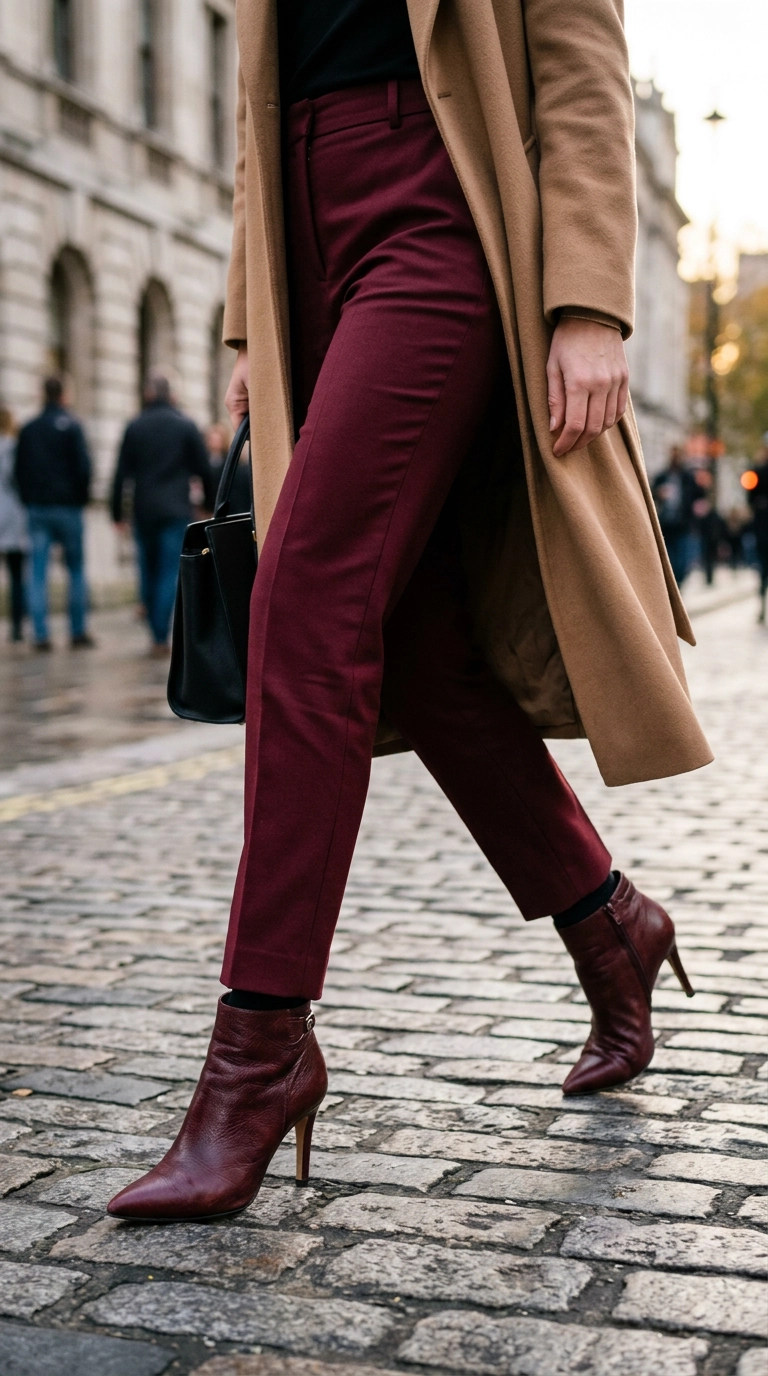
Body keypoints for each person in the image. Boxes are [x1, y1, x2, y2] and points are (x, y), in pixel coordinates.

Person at [109, 0, 712, 1223]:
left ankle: (261, 1046)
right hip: (304, 228)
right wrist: (249, 313)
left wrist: (589, 298)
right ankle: (613, 922)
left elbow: (578, 58)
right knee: (423, 653)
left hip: (443, 199)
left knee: (307, 597)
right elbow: (258, 91)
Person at [112, 376, 216, 655]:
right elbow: (204, 469)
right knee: (169, 571)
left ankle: (153, 624)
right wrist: (208, 503)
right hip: (175, 509)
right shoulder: (185, 425)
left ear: (148, 394)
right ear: (171, 395)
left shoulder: (135, 426)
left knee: (147, 568)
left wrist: (117, 513)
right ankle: (160, 635)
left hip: (144, 509)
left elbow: (121, 473)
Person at [14, 377, 93, 651]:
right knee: (76, 569)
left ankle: (40, 634)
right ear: (64, 395)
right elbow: (84, 468)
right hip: (68, 507)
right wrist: (80, 499)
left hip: (38, 508)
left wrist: (29, 499)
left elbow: (19, 470)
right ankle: (77, 631)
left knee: (37, 571)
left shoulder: (29, 429)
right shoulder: (72, 426)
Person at [0, 408, 28, 642]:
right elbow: (17, 479)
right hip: (11, 518)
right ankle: (17, 626)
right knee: (17, 575)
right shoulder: (12, 448)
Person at [652, 446, 698, 587]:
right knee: (668, 556)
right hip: (666, 523)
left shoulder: (688, 477)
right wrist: (659, 493)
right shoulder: (662, 477)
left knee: (682, 558)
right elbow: (650, 494)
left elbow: (696, 496)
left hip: (683, 523)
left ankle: (679, 582)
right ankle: (672, 584)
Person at [206, 420, 251, 515]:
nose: (215, 443)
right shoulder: (205, 461)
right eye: (213, 439)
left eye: (218, 440)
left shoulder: (233, 462)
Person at [747, 439, 768, 622]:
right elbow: (750, 496)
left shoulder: (756, 471)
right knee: (763, 568)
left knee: (763, 568)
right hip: (763, 527)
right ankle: (762, 603)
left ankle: (762, 604)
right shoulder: (757, 472)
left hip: (762, 526)